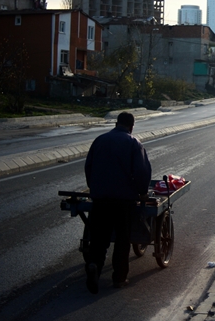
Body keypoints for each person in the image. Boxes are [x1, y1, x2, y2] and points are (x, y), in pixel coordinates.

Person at [84, 111, 152, 294]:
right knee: (123, 239)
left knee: (99, 238)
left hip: (100, 199)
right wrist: (143, 192)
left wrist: (95, 188)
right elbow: (141, 171)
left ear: (116, 123)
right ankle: (120, 278)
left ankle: (93, 265)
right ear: (131, 126)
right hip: (124, 201)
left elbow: (88, 166)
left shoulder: (99, 140)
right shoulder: (133, 143)